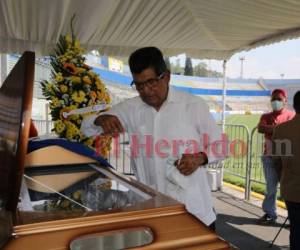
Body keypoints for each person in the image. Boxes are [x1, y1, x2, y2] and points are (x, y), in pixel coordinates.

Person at [81, 47, 222, 229]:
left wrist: (200, 157)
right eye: (139, 85)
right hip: (151, 214)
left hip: (194, 213)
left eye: (151, 82)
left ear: (167, 77)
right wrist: (100, 119)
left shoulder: (193, 106)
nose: (146, 91)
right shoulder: (130, 109)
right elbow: (86, 128)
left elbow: (221, 146)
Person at [257, 89, 294, 224]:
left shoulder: (291, 115)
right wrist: (281, 129)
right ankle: (269, 214)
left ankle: (293, 218)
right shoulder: (265, 116)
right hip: (269, 157)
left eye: (278, 99)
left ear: (285, 100)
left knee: (289, 190)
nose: (275, 102)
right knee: (271, 188)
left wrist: (272, 129)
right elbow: (261, 128)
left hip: (287, 158)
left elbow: (292, 131)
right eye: (273, 99)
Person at [272, 91, 300, 249]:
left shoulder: (281, 129)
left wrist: (284, 178)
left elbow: (276, 162)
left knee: (296, 230)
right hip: (291, 187)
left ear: (294, 106)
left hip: (291, 189)